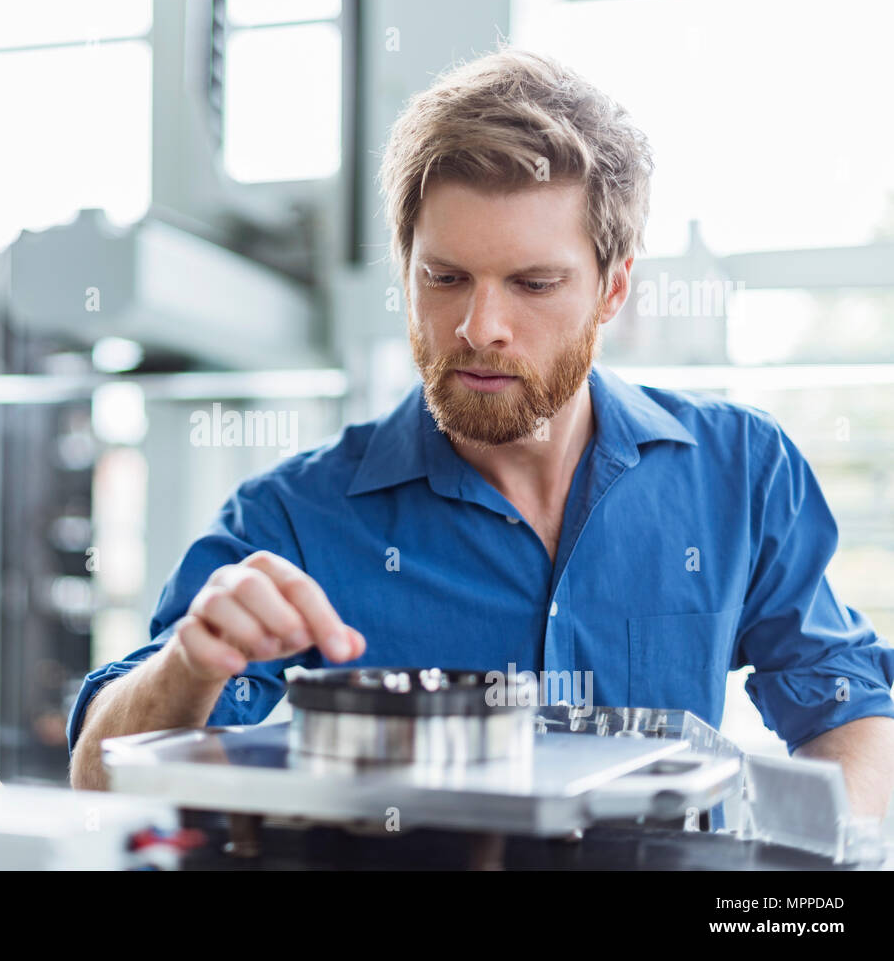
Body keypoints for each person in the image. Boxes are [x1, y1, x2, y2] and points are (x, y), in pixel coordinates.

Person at [66, 48, 894, 817]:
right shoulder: (292, 519)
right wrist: (189, 667)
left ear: (613, 290)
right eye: (445, 278)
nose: (479, 326)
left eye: (534, 283)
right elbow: (99, 774)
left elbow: (851, 707)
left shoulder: (738, 472)